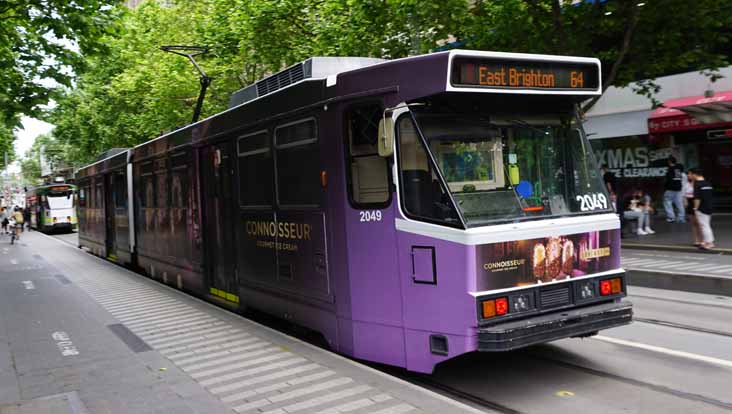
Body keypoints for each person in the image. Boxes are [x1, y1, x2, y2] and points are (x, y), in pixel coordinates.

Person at [689, 168, 714, 250]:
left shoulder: (697, 184)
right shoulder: (707, 183)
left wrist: (695, 208)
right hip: (709, 206)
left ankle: (709, 243)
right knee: (706, 225)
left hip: (702, 208)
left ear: (694, 174)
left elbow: (697, 198)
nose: (689, 176)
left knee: (704, 226)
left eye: (690, 174)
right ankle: (708, 241)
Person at [663, 156, 685, 223]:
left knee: (667, 202)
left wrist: (665, 185)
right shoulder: (678, 169)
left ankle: (671, 217)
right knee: (679, 203)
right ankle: (681, 218)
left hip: (670, 188)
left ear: (669, 161)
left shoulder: (670, 169)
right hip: (678, 188)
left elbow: (668, 180)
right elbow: (678, 178)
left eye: (668, 161)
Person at [683, 172, 701, 246]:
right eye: (688, 174)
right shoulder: (686, 185)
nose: (688, 175)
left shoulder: (699, 184)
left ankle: (703, 240)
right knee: (693, 224)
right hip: (690, 204)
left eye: (690, 174)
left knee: (700, 223)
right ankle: (696, 240)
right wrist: (685, 203)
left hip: (698, 203)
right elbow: (684, 195)